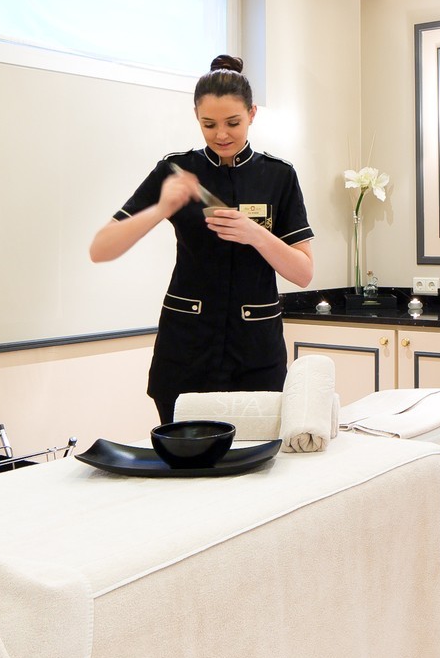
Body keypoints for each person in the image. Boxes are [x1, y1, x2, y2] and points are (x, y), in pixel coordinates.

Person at [90, 56, 314, 423]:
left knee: (258, 468)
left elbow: (303, 272)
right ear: (196, 116)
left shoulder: (279, 176)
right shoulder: (176, 170)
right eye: (208, 124)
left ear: (252, 114)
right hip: (186, 351)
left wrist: (255, 234)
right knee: (185, 466)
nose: (221, 134)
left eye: (233, 123)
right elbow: (101, 248)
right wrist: (161, 208)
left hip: (256, 355)